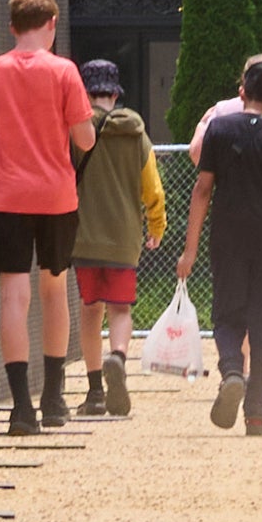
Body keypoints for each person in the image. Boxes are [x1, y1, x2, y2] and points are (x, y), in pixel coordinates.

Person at [0, 0, 97, 437]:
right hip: (57, 196)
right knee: (54, 291)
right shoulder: (64, 71)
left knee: (13, 298)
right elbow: (85, 139)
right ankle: (54, 398)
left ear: (12, 27)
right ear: (52, 24)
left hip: (8, 198)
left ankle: (21, 407)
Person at [179, 56, 262, 434]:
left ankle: (232, 370)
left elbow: (202, 190)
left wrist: (189, 250)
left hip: (227, 237)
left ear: (242, 91)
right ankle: (256, 411)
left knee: (227, 312)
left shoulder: (219, 129)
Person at [68, 59, 164, 418]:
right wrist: (156, 225)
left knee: (90, 311)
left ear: (85, 91)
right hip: (124, 238)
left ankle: (95, 392)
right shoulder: (135, 132)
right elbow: (152, 187)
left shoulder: (76, 131)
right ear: (115, 92)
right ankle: (119, 357)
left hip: (84, 235)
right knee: (120, 310)